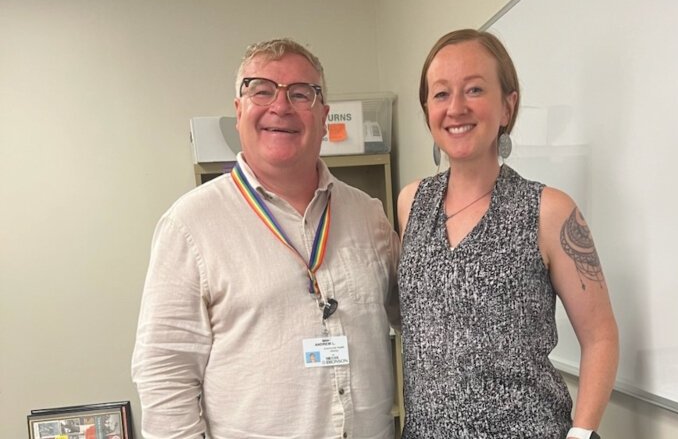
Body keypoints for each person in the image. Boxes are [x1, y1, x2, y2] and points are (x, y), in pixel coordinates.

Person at [132, 38, 400, 439]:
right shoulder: (189, 226)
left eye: (300, 94)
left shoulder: (369, 216)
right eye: (262, 90)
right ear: (239, 110)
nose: (281, 106)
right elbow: (164, 371)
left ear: (323, 115)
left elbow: (421, 322)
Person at [397, 29, 619, 439]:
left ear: (507, 106)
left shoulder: (549, 211)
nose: (456, 108)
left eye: (475, 89)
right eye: (441, 94)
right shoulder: (411, 203)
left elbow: (601, 336)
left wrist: (581, 433)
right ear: (427, 108)